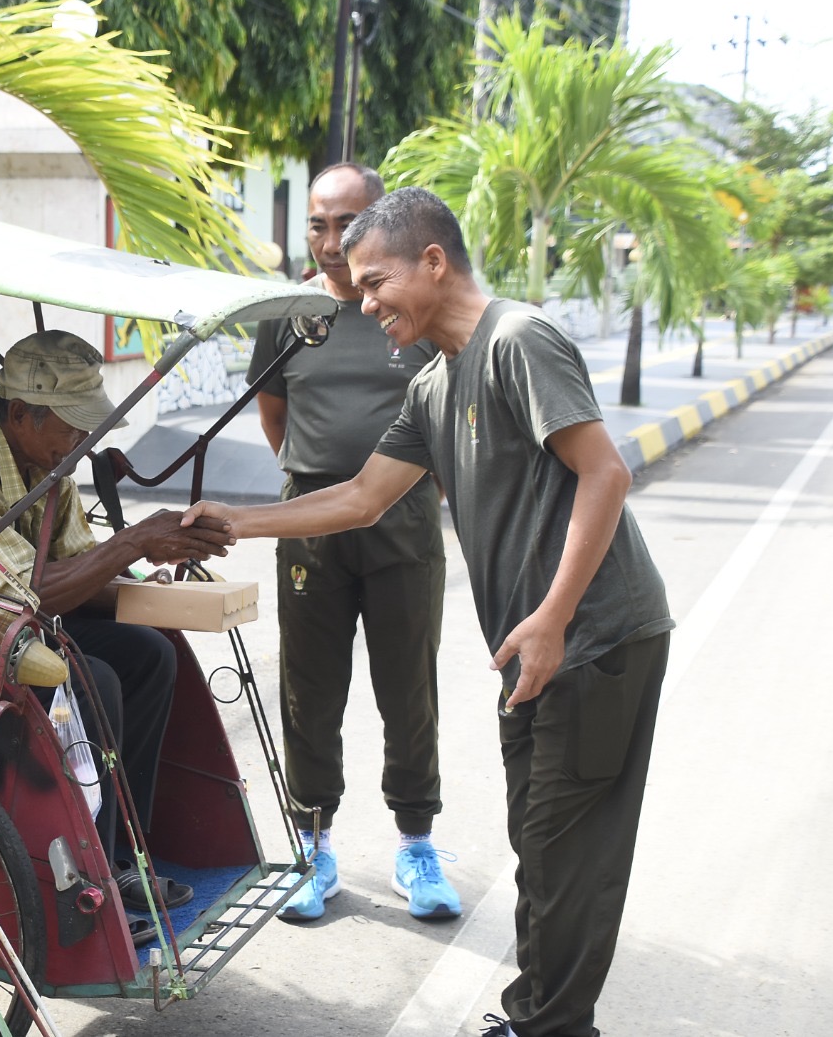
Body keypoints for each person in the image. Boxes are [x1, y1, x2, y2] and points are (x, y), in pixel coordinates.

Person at [186, 187, 672, 1037]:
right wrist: (240, 520)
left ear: (434, 262)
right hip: (536, 647)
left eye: (377, 282)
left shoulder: (518, 341)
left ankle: (547, 1026)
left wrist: (555, 617)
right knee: (541, 842)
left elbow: (606, 473)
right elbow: (363, 496)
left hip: (596, 637)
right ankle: (540, 1020)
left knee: (567, 853)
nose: (365, 301)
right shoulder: (436, 384)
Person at [0, 331, 234, 917]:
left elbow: (79, 575)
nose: (85, 441)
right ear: (20, 415)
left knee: (148, 655)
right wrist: (134, 538)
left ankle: (118, 856)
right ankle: (89, 881)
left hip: (3, 630)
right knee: (96, 681)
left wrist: (150, 569)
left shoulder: (48, 465)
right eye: (71, 425)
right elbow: (14, 596)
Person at [246, 162, 458, 923]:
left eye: (348, 224)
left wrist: (404, 493)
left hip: (402, 523)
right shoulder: (289, 312)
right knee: (309, 687)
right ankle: (314, 846)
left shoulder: (410, 309)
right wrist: (317, 488)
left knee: (409, 689)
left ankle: (416, 844)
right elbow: (276, 417)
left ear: (382, 226)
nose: (332, 242)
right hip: (311, 524)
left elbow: (444, 422)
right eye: (318, 225)